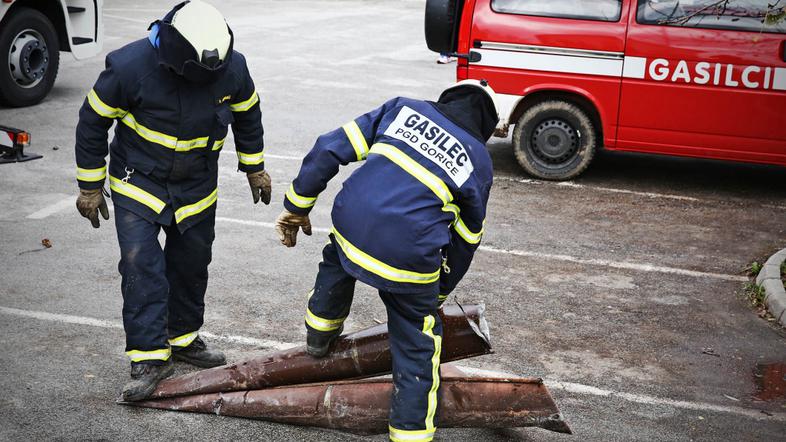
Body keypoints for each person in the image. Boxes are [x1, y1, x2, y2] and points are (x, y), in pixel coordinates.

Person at [275, 80, 498, 442]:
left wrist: (296, 206)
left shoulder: (403, 107)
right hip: (409, 255)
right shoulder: (479, 160)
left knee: (338, 261)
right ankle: (411, 435)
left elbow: (329, 147)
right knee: (417, 342)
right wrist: (437, 294)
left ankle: (319, 336)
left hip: (352, 225)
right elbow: (466, 241)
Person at [74, 0, 271, 401]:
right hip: (138, 181)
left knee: (191, 263)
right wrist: (89, 185)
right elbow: (93, 120)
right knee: (141, 266)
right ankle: (148, 357)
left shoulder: (232, 66)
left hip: (198, 185)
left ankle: (182, 337)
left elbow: (248, 113)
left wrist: (255, 167)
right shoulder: (130, 67)